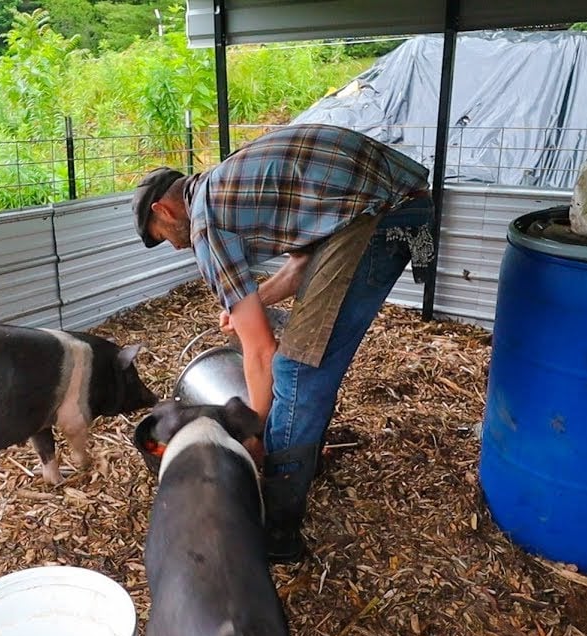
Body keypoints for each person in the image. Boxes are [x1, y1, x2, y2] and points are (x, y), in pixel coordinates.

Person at [131, 123, 435, 563]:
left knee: (298, 369)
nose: (173, 246)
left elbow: (261, 351)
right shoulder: (228, 187)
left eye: (161, 235)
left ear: (164, 209)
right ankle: (305, 452)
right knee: (307, 356)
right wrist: (248, 304)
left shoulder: (206, 223)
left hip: (384, 216)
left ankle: (278, 526)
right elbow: (299, 269)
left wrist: (254, 433)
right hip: (397, 203)